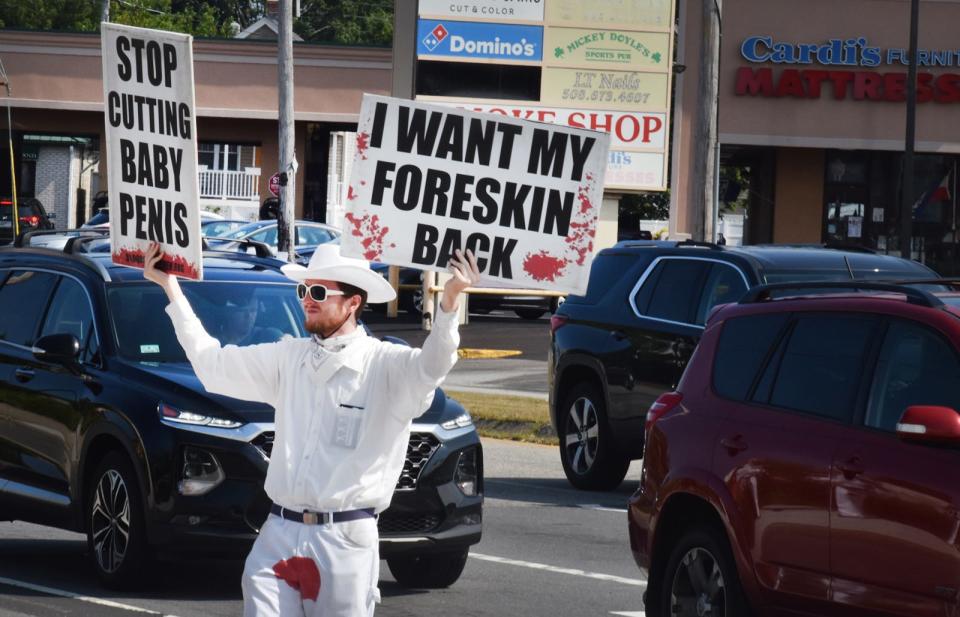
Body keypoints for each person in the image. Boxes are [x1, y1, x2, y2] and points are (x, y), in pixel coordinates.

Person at [142, 241, 481, 617]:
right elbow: (212, 365)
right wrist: (170, 287)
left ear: (353, 303)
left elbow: (432, 366)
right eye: (303, 290)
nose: (307, 299)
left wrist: (449, 302)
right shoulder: (289, 358)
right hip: (279, 532)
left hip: (345, 540)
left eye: (318, 292)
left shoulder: (387, 366)